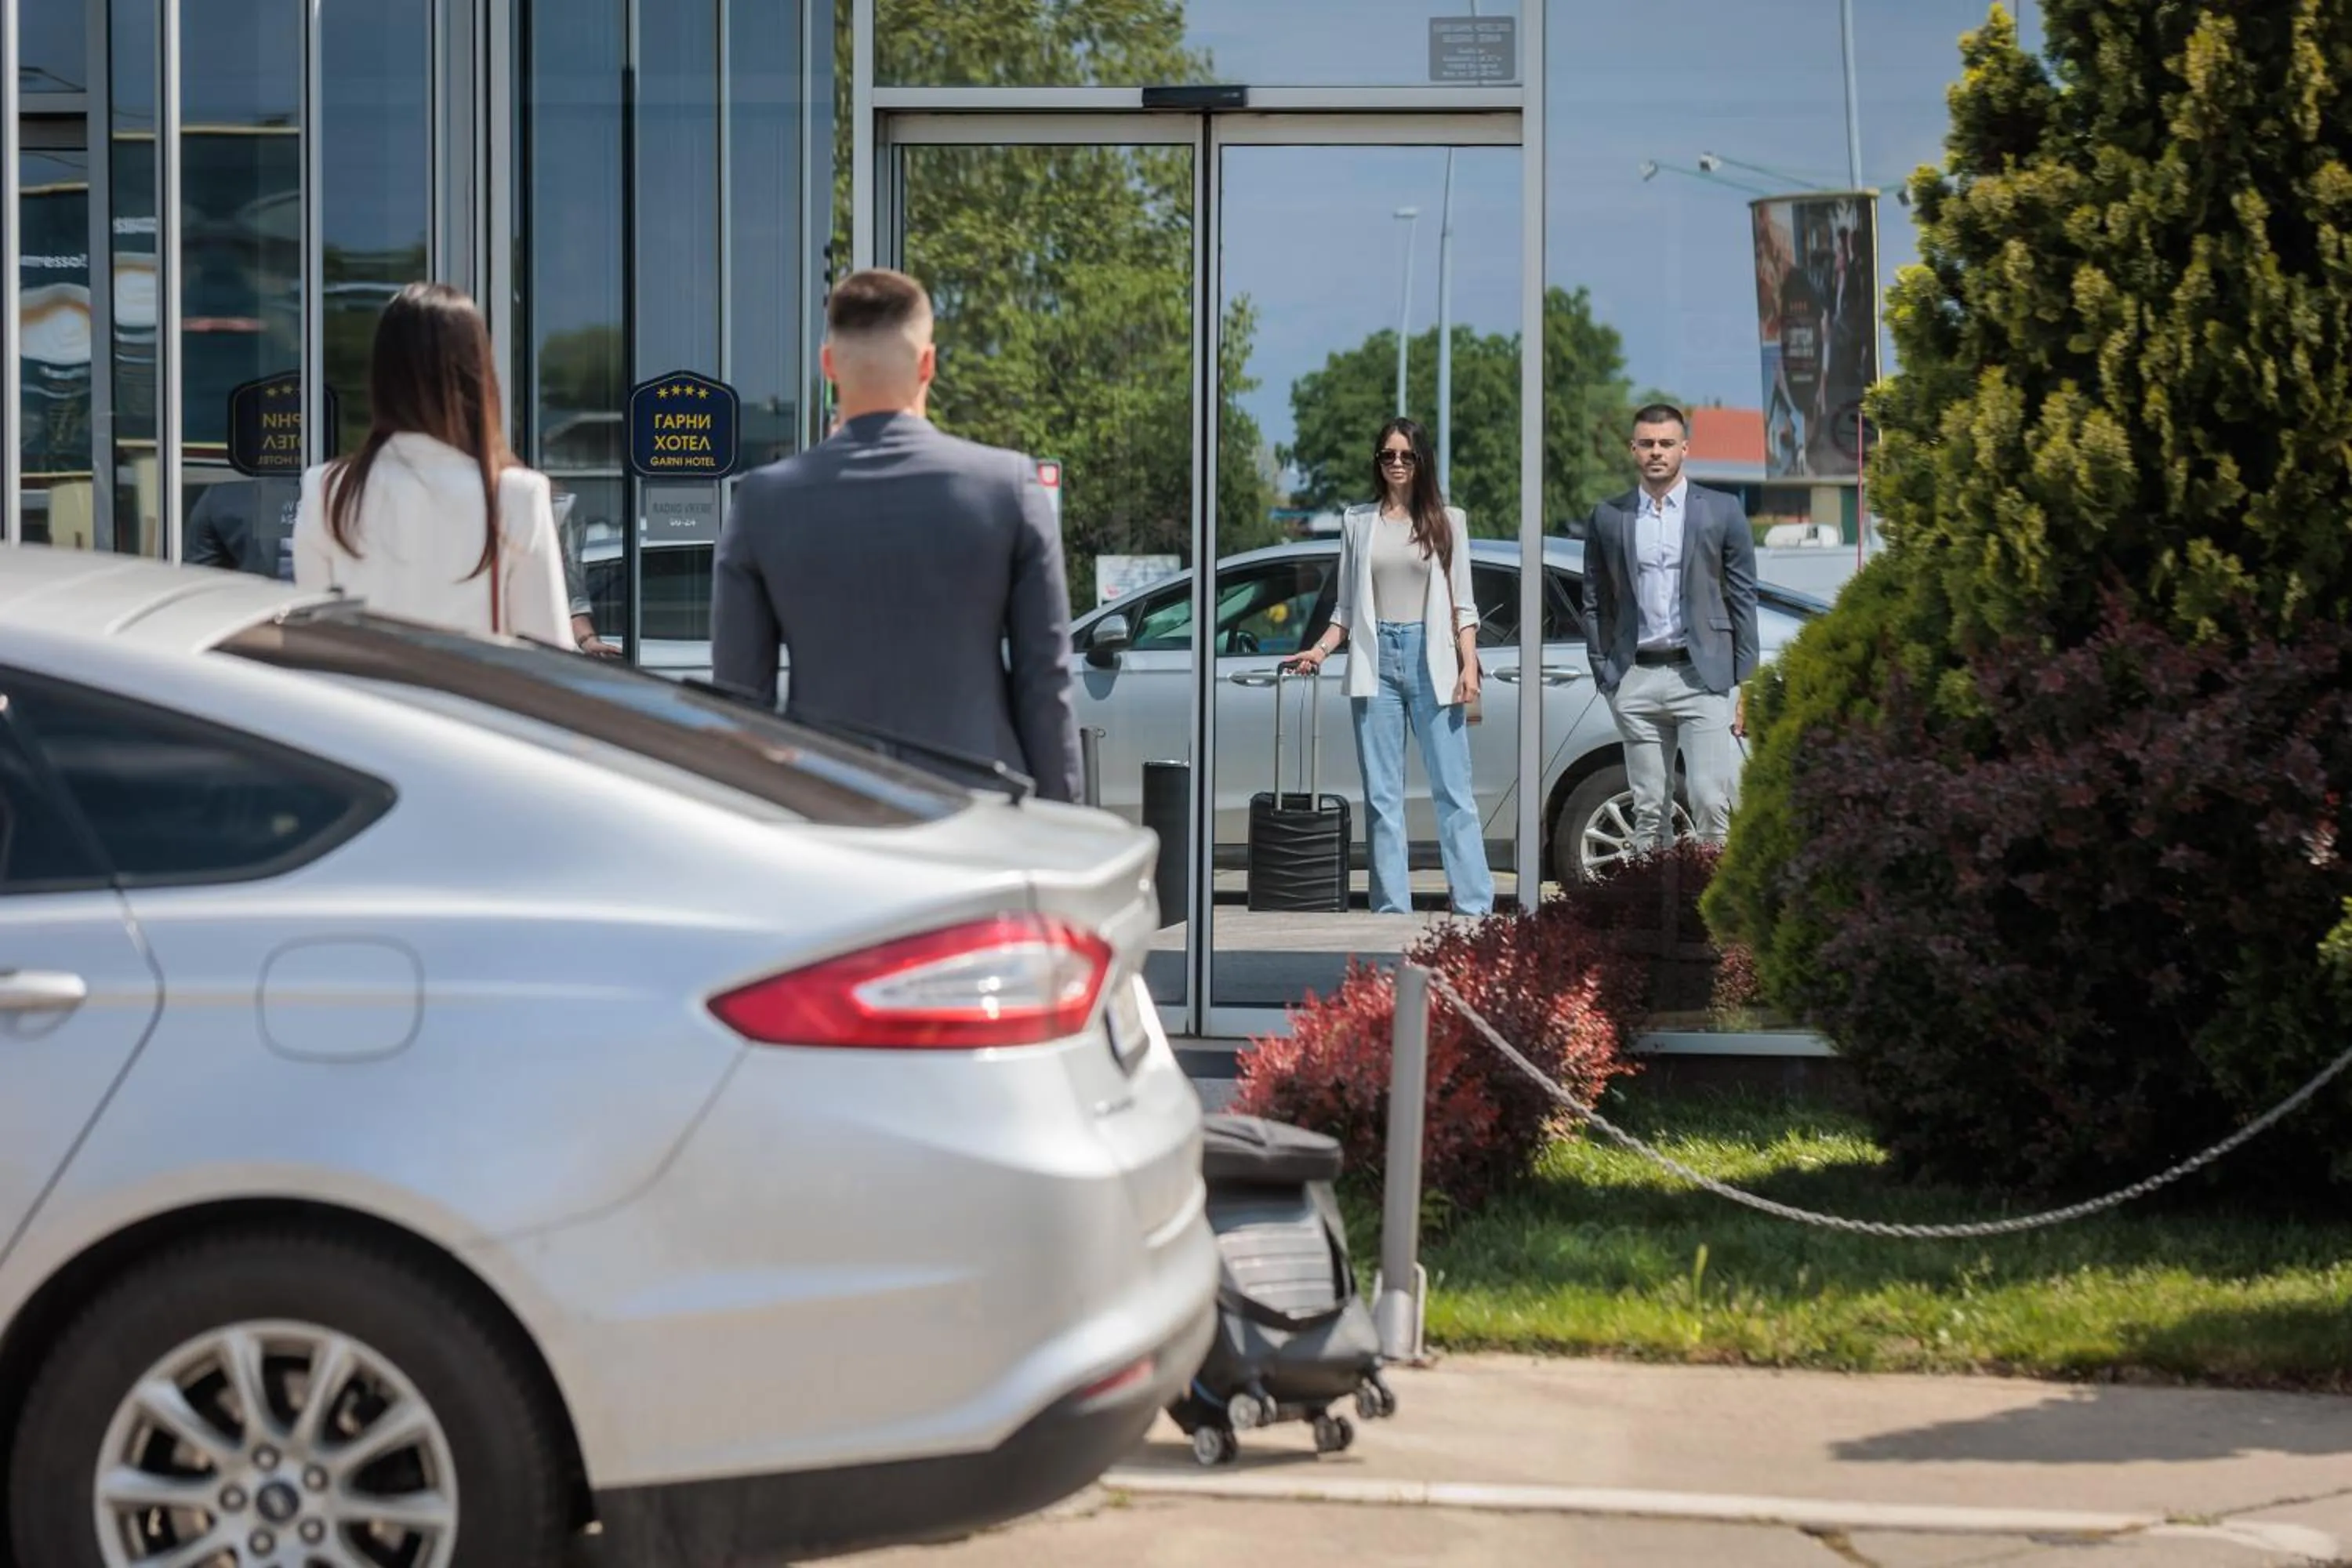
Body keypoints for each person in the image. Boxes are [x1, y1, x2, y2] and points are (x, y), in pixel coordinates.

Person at [710, 267, 1083, 801]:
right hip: (979, 814)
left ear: (828, 365)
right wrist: (1063, 822)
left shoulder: (763, 500)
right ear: (928, 363)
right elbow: (1046, 682)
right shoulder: (1007, 488)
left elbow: (741, 703)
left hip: (830, 812)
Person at [1283, 416, 1490, 917]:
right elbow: (1346, 609)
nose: (1397, 463)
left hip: (1431, 658)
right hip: (1376, 661)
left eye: (1406, 455)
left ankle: (1474, 906)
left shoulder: (1448, 521)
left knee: (1453, 792)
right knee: (1382, 796)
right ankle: (1391, 910)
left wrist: (1469, 666)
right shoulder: (1358, 522)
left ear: (1422, 461)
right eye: (1388, 455)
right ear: (1377, 462)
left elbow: (1463, 607)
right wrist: (1319, 650)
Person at [293, 282, 568, 644]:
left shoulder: (328, 489)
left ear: (381, 375)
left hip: (359, 682)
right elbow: (549, 650)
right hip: (469, 683)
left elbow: (313, 642)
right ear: (478, 374)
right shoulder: (516, 494)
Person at [1580, 402, 1759, 851]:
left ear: (1684, 448)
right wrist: (1607, 675)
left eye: (1665, 443)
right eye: (1647, 444)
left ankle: (1710, 895)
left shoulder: (1722, 511)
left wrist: (1747, 681)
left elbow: (1743, 599)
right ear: (1633, 449)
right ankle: (1655, 896)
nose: (1656, 452)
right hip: (1635, 676)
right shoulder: (1609, 516)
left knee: (1709, 799)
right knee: (1648, 811)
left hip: (1702, 675)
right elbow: (1594, 601)